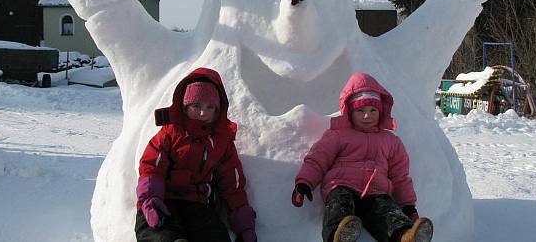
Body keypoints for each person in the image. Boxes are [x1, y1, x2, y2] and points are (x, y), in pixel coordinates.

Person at [292, 72, 433, 242]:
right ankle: (338, 234)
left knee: (387, 210)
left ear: (381, 112)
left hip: (376, 190)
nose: (367, 116)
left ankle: (405, 235)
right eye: (360, 110)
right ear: (350, 111)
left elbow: (400, 176)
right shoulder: (338, 135)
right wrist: (304, 182)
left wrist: (408, 206)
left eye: (373, 110)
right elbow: (318, 158)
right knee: (339, 206)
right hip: (342, 184)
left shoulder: (391, 141)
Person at [135, 67, 257, 242]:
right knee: (157, 232)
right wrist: (150, 198)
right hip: (163, 200)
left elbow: (233, 183)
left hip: (198, 204)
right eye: (196, 106)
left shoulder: (222, 142)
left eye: (210, 107)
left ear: (218, 110)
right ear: (185, 107)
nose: (203, 112)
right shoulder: (170, 133)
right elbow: (152, 167)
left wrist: (244, 222)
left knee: (214, 235)